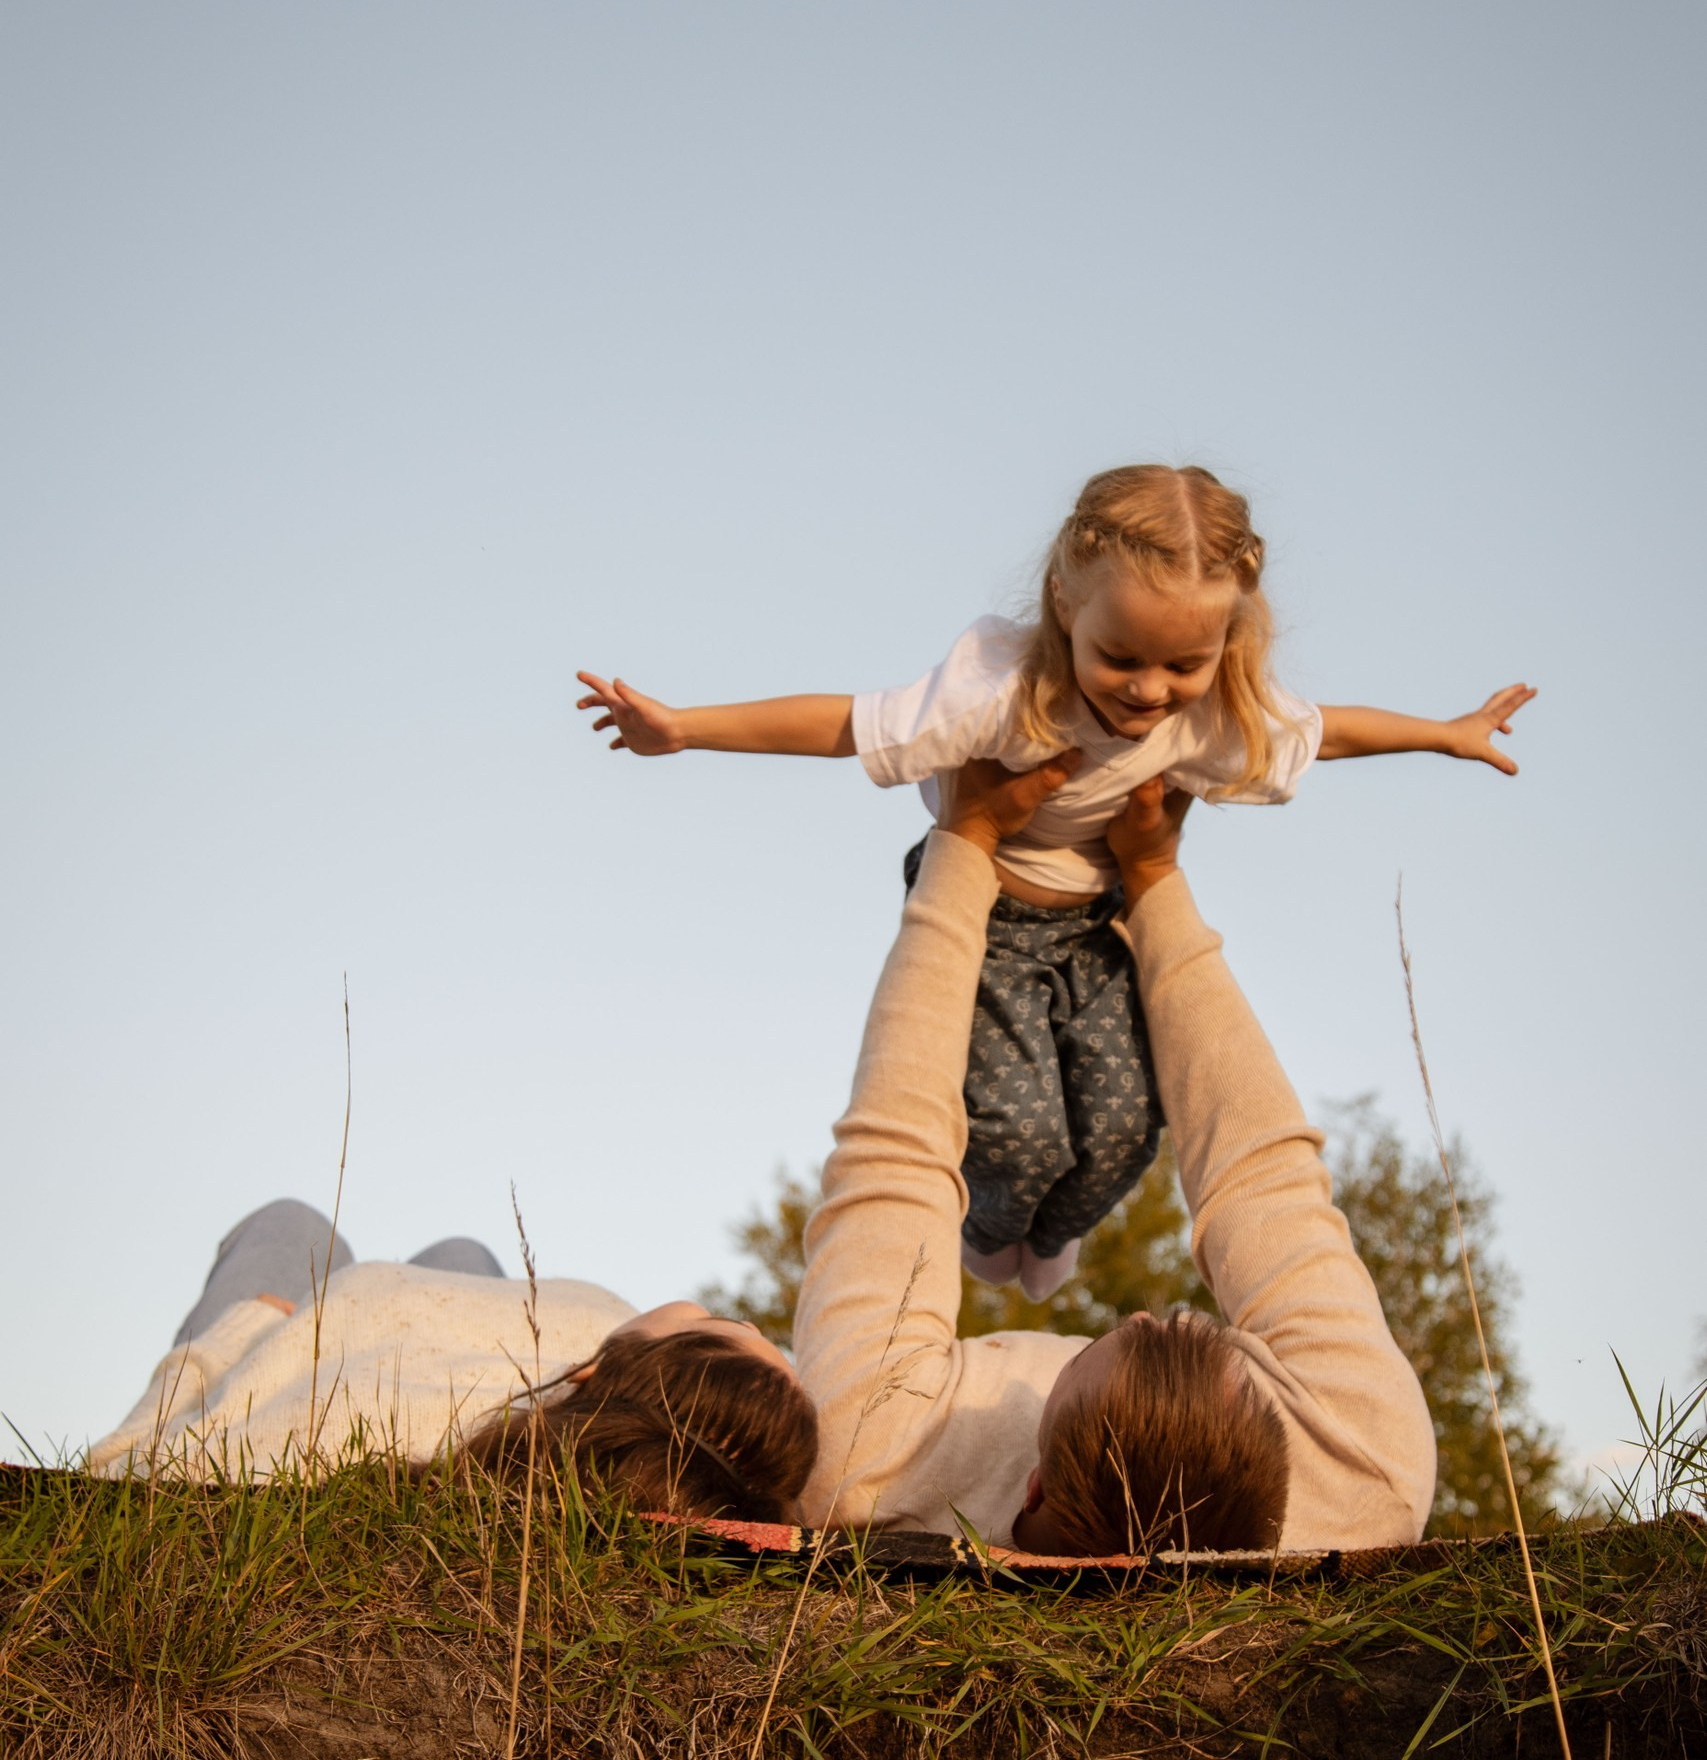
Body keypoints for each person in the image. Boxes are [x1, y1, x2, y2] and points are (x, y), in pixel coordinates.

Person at [577, 463, 1533, 1304]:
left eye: (1182, 665)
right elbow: (843, 724)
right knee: (1019, 1133)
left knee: (1123, 1131)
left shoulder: (1211, 715)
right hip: (986, 917)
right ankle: (988, 1232)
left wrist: (1445, 734)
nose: (1147, 689)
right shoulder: (997, 688)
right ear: (1066, 608)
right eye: (1119, 657)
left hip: (1095, 927)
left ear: (1224, 644)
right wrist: (684, 727)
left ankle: (1050, 1232)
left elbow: (1327, 731)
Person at [790, 756, 1437, 1557]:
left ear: (1031, 1487)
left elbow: (893, 1159)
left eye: (1124, 1337)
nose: (1133, 1312)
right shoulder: (1365, 1479)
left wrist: (962, 844)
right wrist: (1155, 880)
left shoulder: (861, 1461)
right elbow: (1261, 1176)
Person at [88, 1202, 818, 1521]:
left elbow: (145, 1471)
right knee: (462, 1258)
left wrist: (252, 1332)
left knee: (293, 1223)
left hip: (297, 1347)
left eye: (721, 1321)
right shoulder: (630, 1461)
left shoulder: (581, 1336)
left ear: (593, 1375)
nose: (733, 1313)